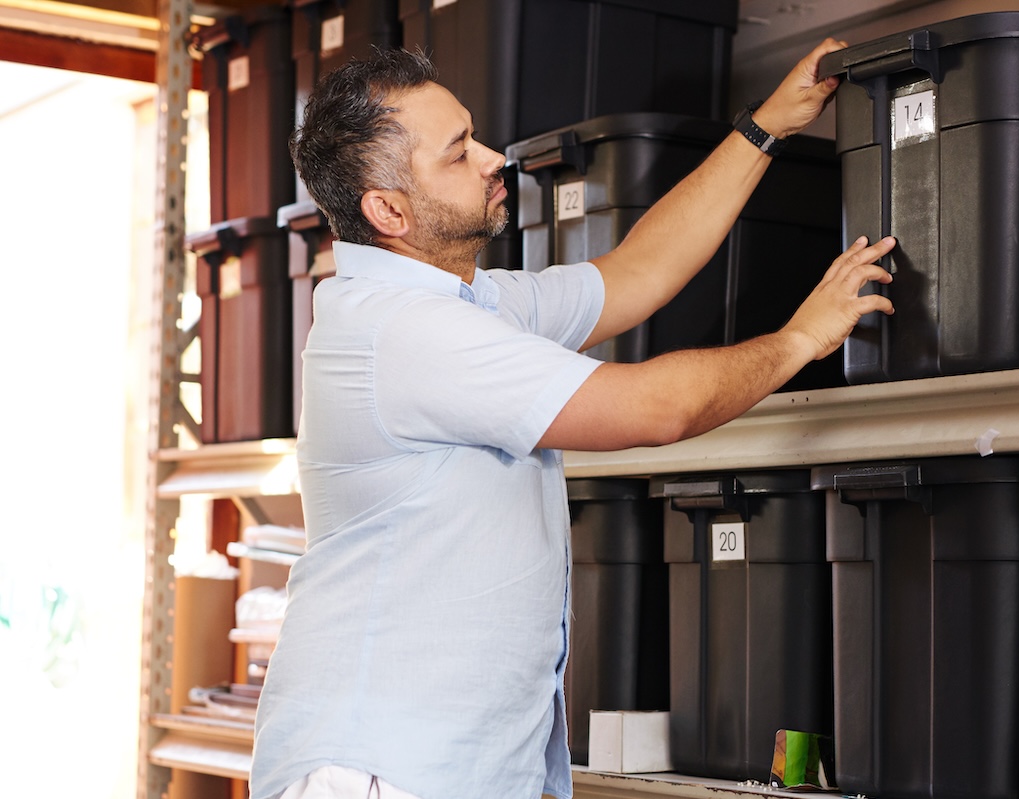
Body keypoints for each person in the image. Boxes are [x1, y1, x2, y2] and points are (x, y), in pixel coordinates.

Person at [250, 40, 895, 799]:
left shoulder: (465, 303)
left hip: (447, 766)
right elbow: (659, 408)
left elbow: (634, 275)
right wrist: (801, 338)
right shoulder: (405, 333)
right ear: (388, 210)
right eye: (459, 154)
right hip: (383, 770)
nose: (494, 158)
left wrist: (764, 129)